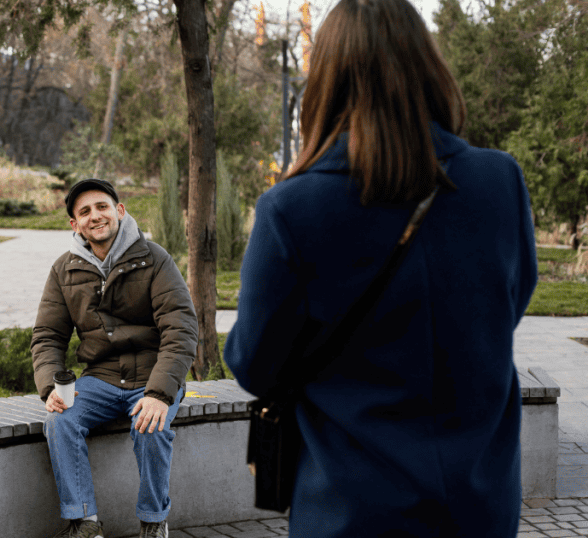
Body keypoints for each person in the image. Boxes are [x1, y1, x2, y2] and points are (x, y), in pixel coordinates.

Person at [223, 0, 538, 536]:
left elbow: (255, 365)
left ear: (328, 80)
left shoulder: (293, 208)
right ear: (428, 69)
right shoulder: (498, 182)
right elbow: (509, 304)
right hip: (480, 507)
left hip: (351, 511)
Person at [32, 178, 198, 538]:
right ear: (74, 224)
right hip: (101, 378)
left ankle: (154, 523)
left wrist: (158, 393)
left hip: (154, 376)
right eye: (84, 211)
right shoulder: (64, 269)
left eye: (102, 206)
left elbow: (180, 329)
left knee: (150, 425)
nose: (96, 216)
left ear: (119, 211)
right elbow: (47, 336)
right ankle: (85, 522)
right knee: (60, 421)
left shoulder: (154, 258)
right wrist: (49, 387)